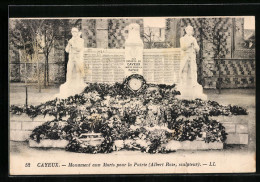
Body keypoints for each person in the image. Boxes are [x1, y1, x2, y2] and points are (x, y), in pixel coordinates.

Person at [177, 25, 207, 100]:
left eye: (191, 30)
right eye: (188, 30)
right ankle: (184, 83)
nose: (190, 32)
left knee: (193, 70)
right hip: (185, 56)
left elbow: (197, 48)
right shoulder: (182, 38)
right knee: (184, 70)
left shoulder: (193, 39)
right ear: (186, 31)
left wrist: (196, 47)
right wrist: (189, 44)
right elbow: (183, 47)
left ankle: (194, 83)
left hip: (192, 57)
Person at [57, 27, 86, 98]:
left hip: (78, 59)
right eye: (73, 32)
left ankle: (78, 83)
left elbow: (79, 48)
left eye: (75, 32)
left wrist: (72, 45)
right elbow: (66, 50)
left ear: (77, 32)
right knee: (69, 70)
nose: (74, 33)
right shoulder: (70, 40)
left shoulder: (81, 40)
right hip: (71, 59)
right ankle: (68, 82)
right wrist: (69, 44)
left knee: (78, 71)